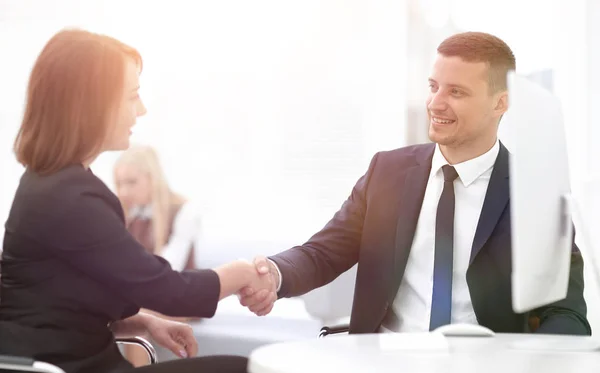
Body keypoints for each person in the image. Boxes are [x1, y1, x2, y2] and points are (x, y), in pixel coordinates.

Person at [239, 32, 591, 335]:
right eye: (433, 87)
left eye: (456, 92)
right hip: (386, 358)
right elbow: (324, 253)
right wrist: (275, 272)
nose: (435, 103)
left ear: (501, 102)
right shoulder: (388, 172)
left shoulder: (536, 195)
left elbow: (567, 314)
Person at [0, 28, 271, 373]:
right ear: (91, 105)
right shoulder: (71, 198)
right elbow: (170, 290)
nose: (141, 110)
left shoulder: (51, 185)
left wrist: (141, 321)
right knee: (248, 369)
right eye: (132, 97)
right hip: (76, 367)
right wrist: (242, 273)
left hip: (77, 360)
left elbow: (58, 304)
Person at [113, 145, 202, 366]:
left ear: (152, 178)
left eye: (131, 182)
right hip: (141, 296)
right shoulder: (129, 215)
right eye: (119, 183)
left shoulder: (184, 211)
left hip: (179, 298)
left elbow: (168, 271)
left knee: (138, 319)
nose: (123, 192)